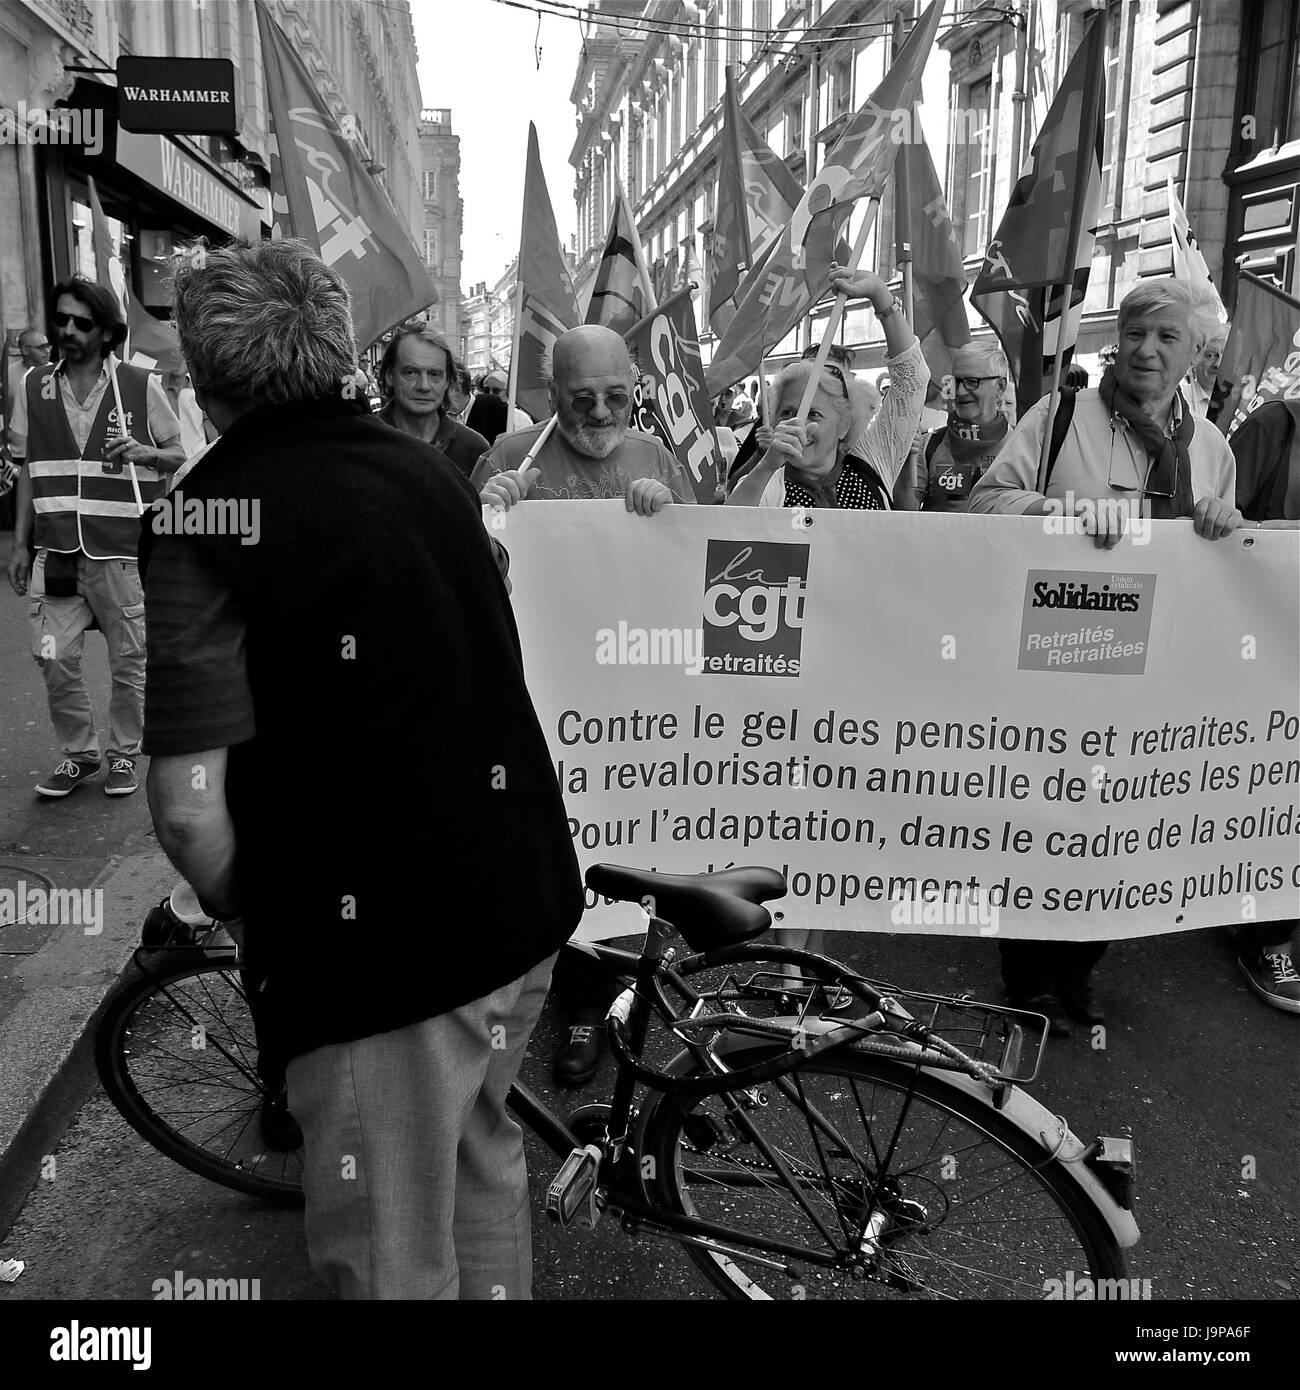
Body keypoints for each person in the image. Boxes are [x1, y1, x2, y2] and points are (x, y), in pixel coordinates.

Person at [143, 237, 583, 1299]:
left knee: (391, 1260)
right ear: (343, 356)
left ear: (204, 388)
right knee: (479, 1177)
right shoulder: (434, 469)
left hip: (381, 957)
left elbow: (189, 810)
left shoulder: (206, 518)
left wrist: (249, 909)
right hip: (519, 905)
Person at [969, 277, 1242, 1035]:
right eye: (1134, 333)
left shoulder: (1210, 449)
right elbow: (985, 503)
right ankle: (1025, 978)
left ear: (1195, 353)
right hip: (1055, 666)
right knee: (1038, 822)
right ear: (1114, 341)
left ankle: (1080, 966)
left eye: (1166, 338)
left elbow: (1227, 565)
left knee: (1120, 832)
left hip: (1151, 679)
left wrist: (1225, 520)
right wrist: (1055, 511)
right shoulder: (1060, 418)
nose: (1146, 350)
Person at [472, 323, 692, 1087]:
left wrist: (671, 514)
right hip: (535, 698)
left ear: (636, 389)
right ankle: (543, 988)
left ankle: (597, 1002)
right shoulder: (508, 457)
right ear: (551, 395)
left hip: (630, 697)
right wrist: (487, 515)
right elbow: (462, 579)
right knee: (545, 848)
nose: (600, 413)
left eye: (615, 397)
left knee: (617, 847)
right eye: (580, 399)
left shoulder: (654, 456)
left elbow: (702, 563)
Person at [6, 274, 184, 798]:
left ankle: (124, 753)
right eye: (60, 319)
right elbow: (29, 471)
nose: (67, 330)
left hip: (122, 552)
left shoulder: (139, 385)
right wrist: (20, 544)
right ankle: (79, 754)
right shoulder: (32, 386)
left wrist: (146, 453)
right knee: (50, 653)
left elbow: (178, 455)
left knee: (130, 661)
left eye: (80, 323)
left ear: (106, 331)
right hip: (56, 549)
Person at [727, 265, 928, 511]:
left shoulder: (872, 461)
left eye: (814, 414)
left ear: (844, 425)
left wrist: (880, 294)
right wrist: (766, 466)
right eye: (787, 413)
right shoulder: (768, 482)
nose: (798, 424)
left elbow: (912, 381)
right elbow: (729, 531)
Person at [1228, 393, 1300, 1013]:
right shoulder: (1277, 425)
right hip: (1265, 647)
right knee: (1271, 787)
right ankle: (1263, 936)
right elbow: (1222, 526)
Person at [897, 342, 1012, 512]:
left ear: (1000, 387)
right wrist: (906, 467)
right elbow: (904, 514)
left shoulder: (1022, 446)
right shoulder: (928, 445)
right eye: (955, 381)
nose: (960, 391)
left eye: (972, 382)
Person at [375, 323, 488, 480]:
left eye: (434, 374)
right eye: (411, 372)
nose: (424, 386)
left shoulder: (473, 448)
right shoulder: (365, 442)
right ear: (389, 376)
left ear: (448, 381)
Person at [1185, 323, 1229, 418]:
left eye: (1226, 357)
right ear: (1196, 357)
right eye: (1210, 355)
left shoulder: (1238, 408)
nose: (1218, 364)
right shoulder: (1180, 400)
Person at [479, 368, 533, 433]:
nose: (490, 394)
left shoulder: (522, 419)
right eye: (486, 390)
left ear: (508, 392)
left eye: (496, 390)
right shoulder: (476, 415)